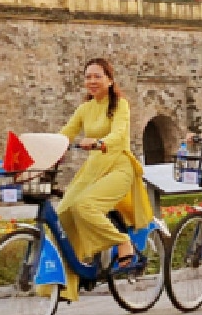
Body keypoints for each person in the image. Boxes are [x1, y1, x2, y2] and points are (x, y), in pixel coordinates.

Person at [56, 58, 154, 301]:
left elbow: (119, 135)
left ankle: (122, 242)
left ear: (110, 80)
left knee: (84, 206)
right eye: (88, 76)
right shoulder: (84, 109)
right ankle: (73, 278)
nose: (91, 81)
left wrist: (100, 143)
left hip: (119, 166)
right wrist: (42, 150)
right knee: (64, 211)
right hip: (92, 169)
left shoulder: (120, 105)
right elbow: (65, 134)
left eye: (97, 76)